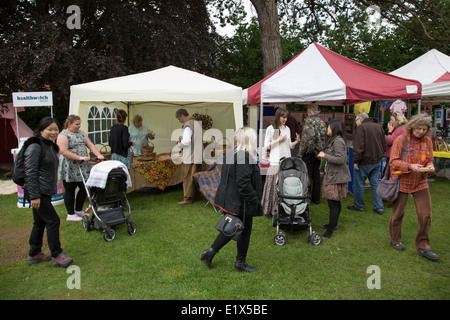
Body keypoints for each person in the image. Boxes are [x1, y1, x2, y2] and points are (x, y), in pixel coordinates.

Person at [200, 127, 263, 272]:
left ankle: (213, 254)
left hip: (232, 199)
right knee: (238, 229)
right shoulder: (242, 157)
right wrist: (255, 199)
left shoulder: (232, 154)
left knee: (234, 228)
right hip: (240, 201)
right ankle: (234, 261)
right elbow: (243, 183)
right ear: (249, 140)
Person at [389, 113, 439, 261]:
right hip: (402, 180)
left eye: (424, 129)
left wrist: (430, 166)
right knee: (398, 214)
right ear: (412, 127)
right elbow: (393, 161)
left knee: (426, 214)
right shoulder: (401, 139)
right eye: (418, 129)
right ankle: (395, 240)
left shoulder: (428, 141)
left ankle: (423, 246)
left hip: (420, 181)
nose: (421, 132)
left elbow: (430, 159)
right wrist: (410, 166)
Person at [25, 117, 73, 268]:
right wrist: (34, 196)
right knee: (53, 220)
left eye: (56, 129)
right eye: (50, 129)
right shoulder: (35, 147)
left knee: (40, 222)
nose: (53, 132)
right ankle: (57, 255)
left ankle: (35, 253)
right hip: (37, 192)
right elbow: (30, 172)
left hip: (43, 190)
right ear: (41, 130)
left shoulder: (49, 146)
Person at [57, 115, 104, 221]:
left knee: (85, 187)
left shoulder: (81, 133)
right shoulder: (63, 135)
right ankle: (70, 214)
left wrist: (98, 155)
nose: (79, 126)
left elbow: (90, 145)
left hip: (82, 166)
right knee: (70, 189)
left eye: (79, 124)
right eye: (76, 124)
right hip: (69, 166)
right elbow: (63, 151)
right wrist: (79, 157)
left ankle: (78, 210)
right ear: (69, 124)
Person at [261, 107, 300, 216]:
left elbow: (288, 146)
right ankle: (271, 209)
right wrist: (278, 140)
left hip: (286, 162)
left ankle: (284, 209)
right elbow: (266, 146)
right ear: (278, 117)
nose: (285, 120)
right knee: (273, 187)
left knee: (285, 187)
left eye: (286, 117)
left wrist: (296, 142)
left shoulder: (287, 129)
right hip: (275, 162)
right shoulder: (271, 129)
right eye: (283, 117)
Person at [317, 120, 351, 239]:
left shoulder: (338, 141)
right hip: (334, 174)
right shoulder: (336, 140)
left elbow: (341, 159)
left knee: (333, 203)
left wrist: (324, 155)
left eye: (329, 127)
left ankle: (329, 231)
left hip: (336, 176)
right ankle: (333, 224)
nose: (327, 129)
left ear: (334, 128)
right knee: (335, 202)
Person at [348, 112, 386, 215]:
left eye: (356, 120)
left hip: (364, 161)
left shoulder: (361, 128)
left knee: (359, 184)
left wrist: (356, 161)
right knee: (375, 184)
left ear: (360, 120)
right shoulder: (379, 127)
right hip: (377, 160)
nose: (356, 123)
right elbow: (384, 144)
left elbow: (358, 147)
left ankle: (359, 205)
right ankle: (379, 207)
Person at [299, 105, 327, 204]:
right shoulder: (322, 123)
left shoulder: (309, 121)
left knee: (308, 175)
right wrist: (320, 150)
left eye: (307, 111)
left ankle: (307, 197)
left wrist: (302, 152)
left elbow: (307, 139)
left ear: (310, 112)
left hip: (309, 152)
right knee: (316, 175)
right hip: (319, 152)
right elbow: (324, 138)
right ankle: (316, 198)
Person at [175, 108, 202, 205]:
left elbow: (186, 141)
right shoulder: (197, 123)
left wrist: (179, 144)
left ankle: (188, 198)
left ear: (182, 116)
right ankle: (196, 196)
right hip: (198, 155)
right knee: (196, 176)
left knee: (188, 178)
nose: (179, 120)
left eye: (179, 118)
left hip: (191, 156)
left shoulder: (188, 125)